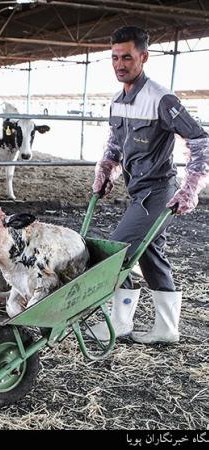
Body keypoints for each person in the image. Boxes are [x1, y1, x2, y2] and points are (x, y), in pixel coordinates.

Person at [90, 26, 209, 344]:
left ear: (143, 56)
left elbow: (200, 141)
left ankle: (120, 323)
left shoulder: (161, 98)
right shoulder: (118, 101)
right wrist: (106, 170)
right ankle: (166, 330)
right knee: (151, 257)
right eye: (114, 57)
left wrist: (191, 186)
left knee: (115, 252)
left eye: (127, 57)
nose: (119, 64)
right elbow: (115, 145)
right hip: (137, 192)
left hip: (159, 193)